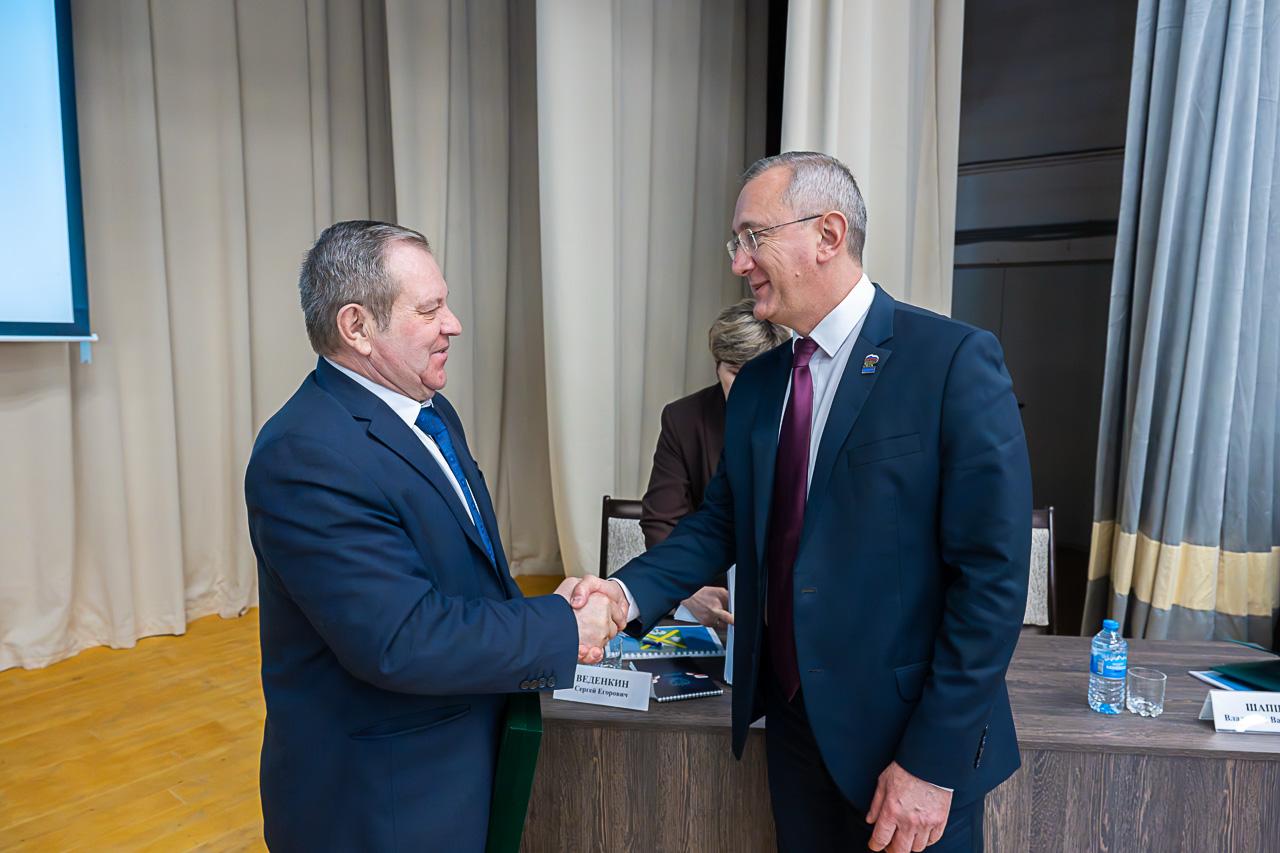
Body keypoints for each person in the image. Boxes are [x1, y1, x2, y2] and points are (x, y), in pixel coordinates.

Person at [566, 152, 1031, 852]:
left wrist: (933, 763)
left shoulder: (951, 361)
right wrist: (622, 596)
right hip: (793, 731)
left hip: (907, 746)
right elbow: (720, 522)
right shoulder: (759, 385)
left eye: (752, 237)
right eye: (735, 243)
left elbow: (992, 581)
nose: (738, 262)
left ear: (828, 235)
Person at [244, 221, 621, 852]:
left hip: (456, 762)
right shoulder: (304, 454)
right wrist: (561, 625)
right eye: (429, 309)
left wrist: (540, 616)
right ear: (357, 327)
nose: (454, 324)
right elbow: (401, 639)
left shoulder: (428, 408)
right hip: (383, 802)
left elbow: (465, 573)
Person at [640, 298, 788, 628]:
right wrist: (689, 592)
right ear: (716, 367)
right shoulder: (683, 418)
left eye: (758, 373)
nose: (747, 386)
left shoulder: (802, 413)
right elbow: (661, 519)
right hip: (709, 591)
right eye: (734, 372)